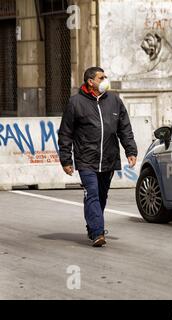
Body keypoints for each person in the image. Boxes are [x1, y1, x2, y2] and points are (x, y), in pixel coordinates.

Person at [58, 67, 137, 247]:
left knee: (101, 196)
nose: (105, 80)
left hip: (109, 158)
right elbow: (65, 133)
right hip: (86, 159)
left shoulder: (114, 100)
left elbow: (124, 128)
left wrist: (130, 151)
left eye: (105, 76)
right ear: (90, 82)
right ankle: (98, 232)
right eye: (101, 77)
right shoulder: (76, 102)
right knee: (92, 193)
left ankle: (92, 225)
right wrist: (66, 160)